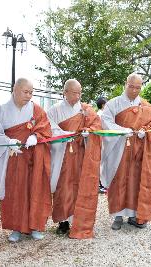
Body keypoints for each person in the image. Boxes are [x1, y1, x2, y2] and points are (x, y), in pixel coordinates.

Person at [0, 78, 52, 242]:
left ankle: (35, 226)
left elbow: (45, 128)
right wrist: (8, 141)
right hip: (12, 157)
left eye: (31, 92)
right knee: (15, 192)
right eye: (25, 92)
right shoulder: (1, 111)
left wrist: (36, 136)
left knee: (36, 189)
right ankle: (16, 228)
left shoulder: (36, 109)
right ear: (15, 90)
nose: (29, 95)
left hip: (34, 156)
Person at [100, 73, 151, 230]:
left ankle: (134, 214)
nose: (134, 90)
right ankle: (118, 216)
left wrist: (145, 131)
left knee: (136, 180)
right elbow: (105, 122)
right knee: (118, 180)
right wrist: (122, 130)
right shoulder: (113, 104)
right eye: (131, 86)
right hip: (118, 147)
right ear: (125, 84)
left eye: (138, 88)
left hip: (139, 149)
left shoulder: (146, 106)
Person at [48, 79, 102, 239]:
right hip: (62, 152)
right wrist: (65, 134)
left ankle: (79, 219)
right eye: (74, 92)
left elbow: (97, 125)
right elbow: (48, 127)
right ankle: (63, 221)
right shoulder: (54, 110)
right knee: (63, 186)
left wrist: (88, 131)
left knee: (81, 185)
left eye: (80, 92)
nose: (78, 96)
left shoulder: (85, 109)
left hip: (81, 152)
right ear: (65, 92)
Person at [96, 96, 108, 193]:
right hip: (102, 140)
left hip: (102, 140)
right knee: (102, 163)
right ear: (103, 105)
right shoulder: (101, 115)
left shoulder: (99, 114)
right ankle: (101, 185)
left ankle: (102, 184)